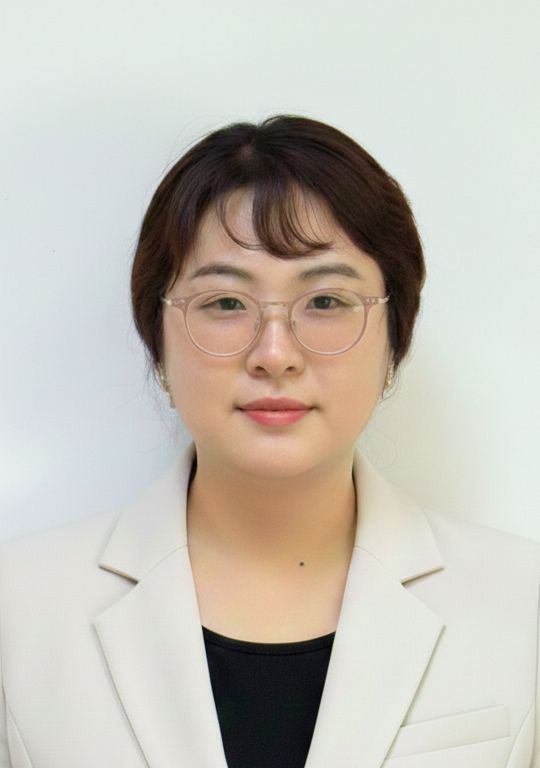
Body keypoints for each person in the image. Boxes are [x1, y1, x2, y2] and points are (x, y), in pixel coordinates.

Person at [0, 115, 538, 768]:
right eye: (226, 304)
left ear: (394, 341)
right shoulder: (18, 611)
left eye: (327, 300)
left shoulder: (522, 604)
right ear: (159, 344)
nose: (275, 354)